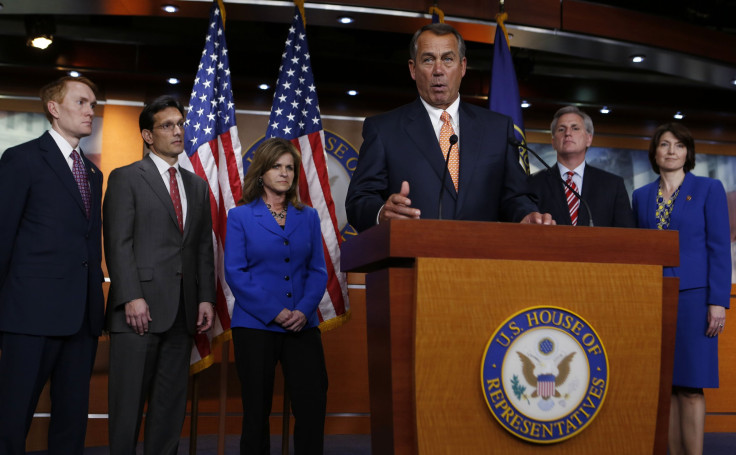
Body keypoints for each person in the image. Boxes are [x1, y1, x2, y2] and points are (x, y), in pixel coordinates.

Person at [345, 23, 553, 231]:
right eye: (428, 60)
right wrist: (382, 213)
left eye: (447, 59)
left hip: (480, 258)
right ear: (413, 69)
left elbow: (514, 196)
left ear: (462, 66)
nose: (438, 70)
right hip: (412, 257)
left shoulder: (497, 129)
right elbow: (359, 200)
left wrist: (526, 215)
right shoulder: (384, 130)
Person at [103, 95, 216, 455]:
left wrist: (205, 298)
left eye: (180, 124)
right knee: (127, 408)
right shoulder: (125, 178)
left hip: (183, 313)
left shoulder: (196, 185)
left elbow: (200, 248)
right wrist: (131, 296)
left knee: (169, 409)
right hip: (138, 312)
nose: (178, 131)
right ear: (148, 136)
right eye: (167, 125)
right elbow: (118, 244)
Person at [0, 76, 105, 454]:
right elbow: (3, 238)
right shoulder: (22, 159)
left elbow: (89, 245)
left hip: (81, 320)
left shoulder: (93, 174)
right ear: (54, 108)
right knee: (11, 421)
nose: (91, 110)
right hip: (29, 316)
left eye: (93, 103)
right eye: (81, 103)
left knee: (71, 425)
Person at [224, 138, 328, 455]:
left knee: (312, 404)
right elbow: (236, 272)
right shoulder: (240, 217)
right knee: (257, 411)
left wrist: (303, 310)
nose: (284, 173)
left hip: (303, 324)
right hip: (256, 326)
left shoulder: (308, 216)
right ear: (261, 172)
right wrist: (276, 312)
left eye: (289, 168)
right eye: (276, 166)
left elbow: (318, 270)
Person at [632, 123, 730, 455]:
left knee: (690, 387)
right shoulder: (640, 196)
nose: (671, 151)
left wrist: (718, 302)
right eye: (664, 144)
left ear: (688, 153)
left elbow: (719, 247)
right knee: (667, 386)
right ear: (654, 153)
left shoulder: (708, 188)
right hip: (655, 298)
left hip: (694, 300)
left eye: (679, 145)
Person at [528, 106, 635, 227]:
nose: (568, 133)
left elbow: (626, 234)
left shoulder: (613, 185)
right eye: (561, 129)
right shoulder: (534, 183)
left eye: (575, 128)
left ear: (589, 139)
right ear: (553, 142)